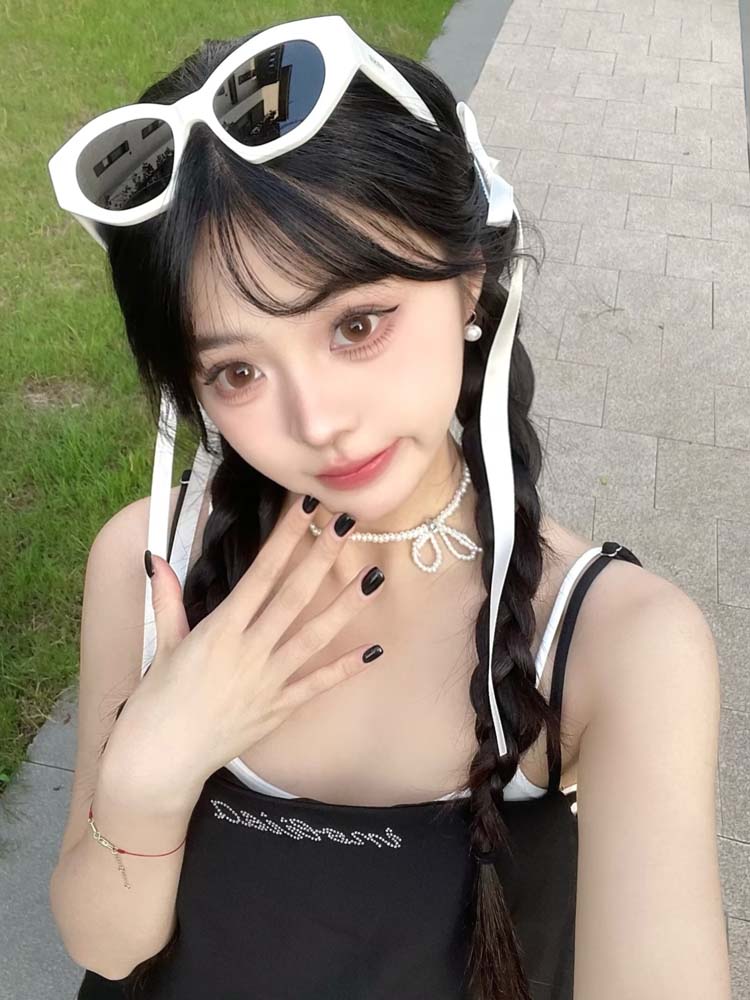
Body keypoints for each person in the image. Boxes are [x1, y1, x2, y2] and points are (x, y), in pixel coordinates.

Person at [46, 14, 730, 1000]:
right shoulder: (150, 566)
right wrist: (150, 772)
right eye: (237, 371)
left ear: (470, 278)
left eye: (357, 325)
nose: (318, 421)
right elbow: (106, 948)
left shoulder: (620, 646)